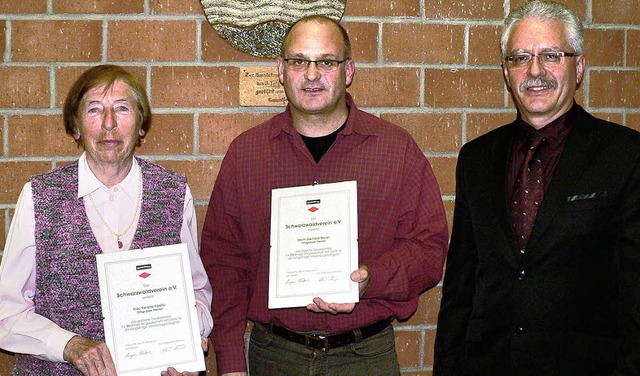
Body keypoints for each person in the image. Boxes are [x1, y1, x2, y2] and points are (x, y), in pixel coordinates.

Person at [200, 15, 448, 376]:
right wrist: (232, 363)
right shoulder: (246, 155)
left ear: (348, 71)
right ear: (281, 71)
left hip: (365, 357)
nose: (312, 74)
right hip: (275, 356)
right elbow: (224, 265)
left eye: (326, 62)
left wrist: (369, 280)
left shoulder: (396, 150)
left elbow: (429, 250)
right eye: (299, 61)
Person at [433, 0, 640, 375]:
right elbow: (460, 288)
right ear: (505, 71)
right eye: (520, 58)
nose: (535, 71)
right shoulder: (476, 158)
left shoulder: (626, 155)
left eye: (551, 55)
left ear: (578, 67)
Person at [0, 65, 213, 376]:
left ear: (142, 125)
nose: (109, 124)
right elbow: (7, 312)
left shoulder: (173, 193)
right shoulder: (39, 196)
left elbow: (197, 294)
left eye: (122, 109)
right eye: (94, 109)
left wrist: (186, 343)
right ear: (75, 126)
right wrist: (69, 345)